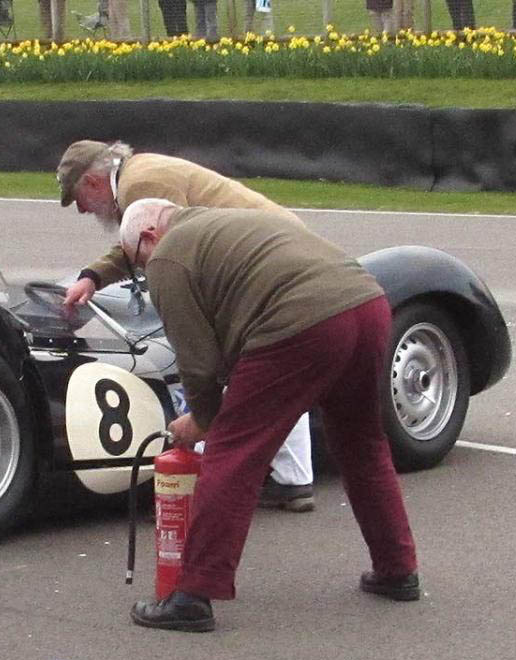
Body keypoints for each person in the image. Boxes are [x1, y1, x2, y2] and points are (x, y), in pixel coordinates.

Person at [118, 198, 420, 632]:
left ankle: (193, 595)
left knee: (233, 453)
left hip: (301, 320)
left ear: (149, 236)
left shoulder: (167, 256)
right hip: (367, 303)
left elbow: (197, 362)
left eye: (137, 261)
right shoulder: (219, 220)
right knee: (363, 444)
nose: (144, 270)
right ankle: (397, 569)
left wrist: (202, 419)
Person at [56, 139, 315, 511]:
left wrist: (199, 412)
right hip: (277, 251)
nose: (82, 209)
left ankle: (204, 478)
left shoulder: (139, 185)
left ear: (93, 182)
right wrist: (93, 276)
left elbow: (166, 245)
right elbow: (142, 241)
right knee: (277, 364)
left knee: (236, 362)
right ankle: (291, 479)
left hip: (262, 261)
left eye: (78, 197)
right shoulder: (139, 172)